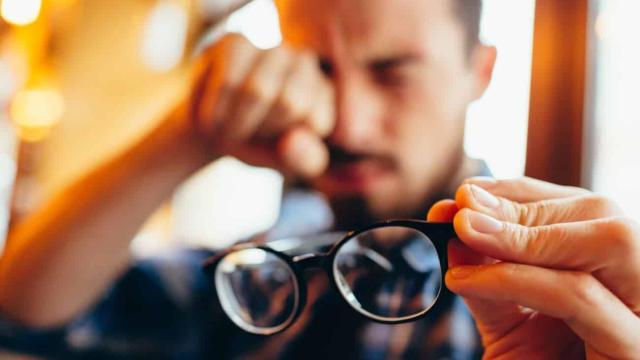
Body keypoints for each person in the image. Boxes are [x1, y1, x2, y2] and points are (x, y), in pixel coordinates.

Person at [0, 0, 638, 358]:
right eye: (319, 70)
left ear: (480, 73)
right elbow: (27, 314)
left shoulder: (559, 315)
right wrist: (186, 133)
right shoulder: (266, 282)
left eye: (392, 71)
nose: (348, 125)